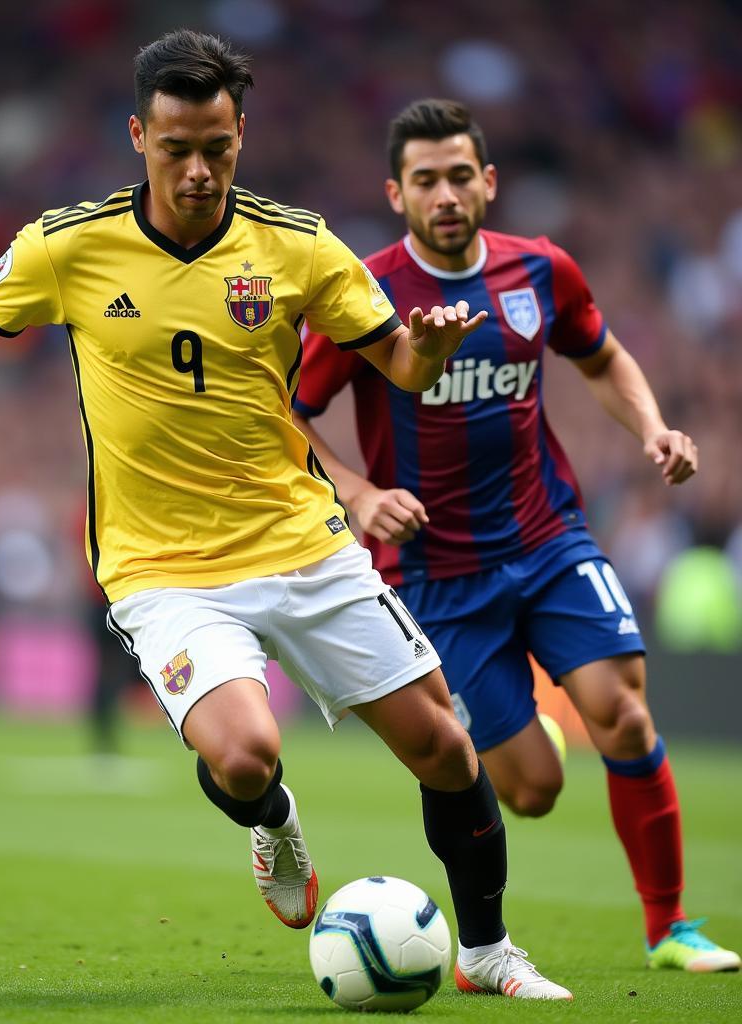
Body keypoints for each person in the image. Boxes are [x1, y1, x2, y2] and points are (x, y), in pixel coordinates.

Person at [0, 34, 572, 999]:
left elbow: (400, 365)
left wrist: (427, 352)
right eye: (176, 146)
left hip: (301, 539)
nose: (197, 169)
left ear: (240, 135)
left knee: (443, 746)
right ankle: (271, 823)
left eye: (216, 147)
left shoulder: (296, 245)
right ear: (138, 134)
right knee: (245, 751)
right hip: (162, 566)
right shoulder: (71, 246)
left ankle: (485, 951)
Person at [293, 97, 739, 974]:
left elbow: (601, 355)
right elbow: (291, 413)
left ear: (489, 181)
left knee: (624, 711)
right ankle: (521, 724)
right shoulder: (367, 293)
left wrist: (649, 427)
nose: (447, 194)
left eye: (461, 175)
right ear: (398, 194)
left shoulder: (541, 271)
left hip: (548, 539)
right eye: (426, 181)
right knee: (533, 789)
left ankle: (670, 926)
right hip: (435, 579)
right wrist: (356, 492)